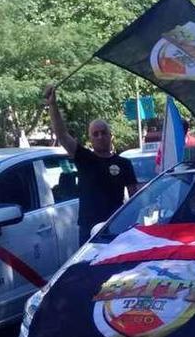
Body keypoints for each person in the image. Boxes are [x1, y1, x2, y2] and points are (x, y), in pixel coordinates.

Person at [44, 84, 139, 245]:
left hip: (115, 229)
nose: (100, 136)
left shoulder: (124, 164)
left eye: (104, 133)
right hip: (88, 230)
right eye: (95, 134)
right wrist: (52, 105)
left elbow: (134, 199)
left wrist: (129, 224)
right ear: (90, 139)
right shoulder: (84, 158)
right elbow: (61, 134)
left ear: (111, 136)